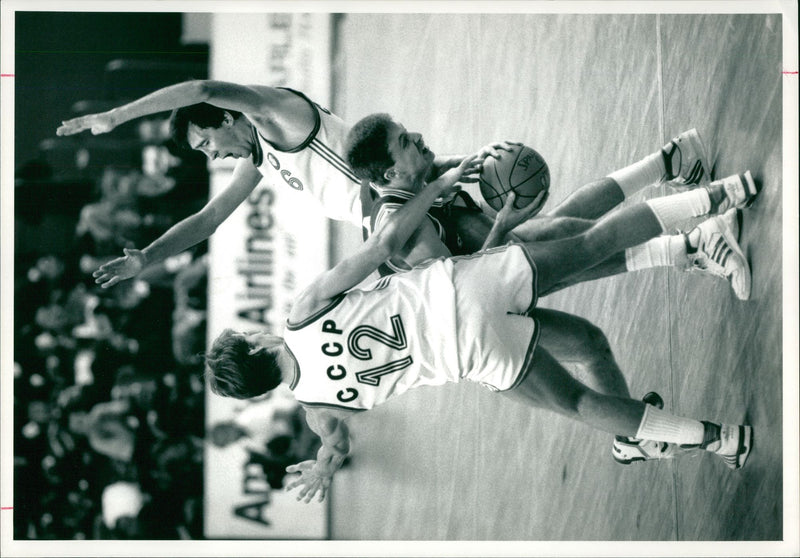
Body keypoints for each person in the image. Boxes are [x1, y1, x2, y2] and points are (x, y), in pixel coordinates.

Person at [204, 157, 754, 504]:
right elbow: (379, 249)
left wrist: (324, 469)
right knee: (589, 244)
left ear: (260, 387)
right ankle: (723, 194)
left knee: (583, 403)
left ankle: (720, 438)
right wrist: (435, 185)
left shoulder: (316, 410)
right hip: (464, 287)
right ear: (255, 344)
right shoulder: (301, 313)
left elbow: (336, 447)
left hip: (469, 353)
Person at [55, 80, 489, 288]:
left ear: (226, 117)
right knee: (494, 278)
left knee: (495, 277)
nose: (212, 156)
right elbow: (208, 219)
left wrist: (117, 116)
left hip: (402, 203)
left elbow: (203, 88)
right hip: (391, 215)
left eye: (206, 142)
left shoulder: (278, 117)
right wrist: (147, 257)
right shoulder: (259, 160)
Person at [347, 113, 758, 299]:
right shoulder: (410, 239)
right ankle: (671, 167)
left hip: (470, 242)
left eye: (405, 131)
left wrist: (479, 156)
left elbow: (432, 169)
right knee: (559, 256)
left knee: (566, 250)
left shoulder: (404, 177)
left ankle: (693, 236)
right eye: (404, 141)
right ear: (388, 177)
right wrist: (504, 223)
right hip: (466, 287)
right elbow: (470, 278)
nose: (416, 136)